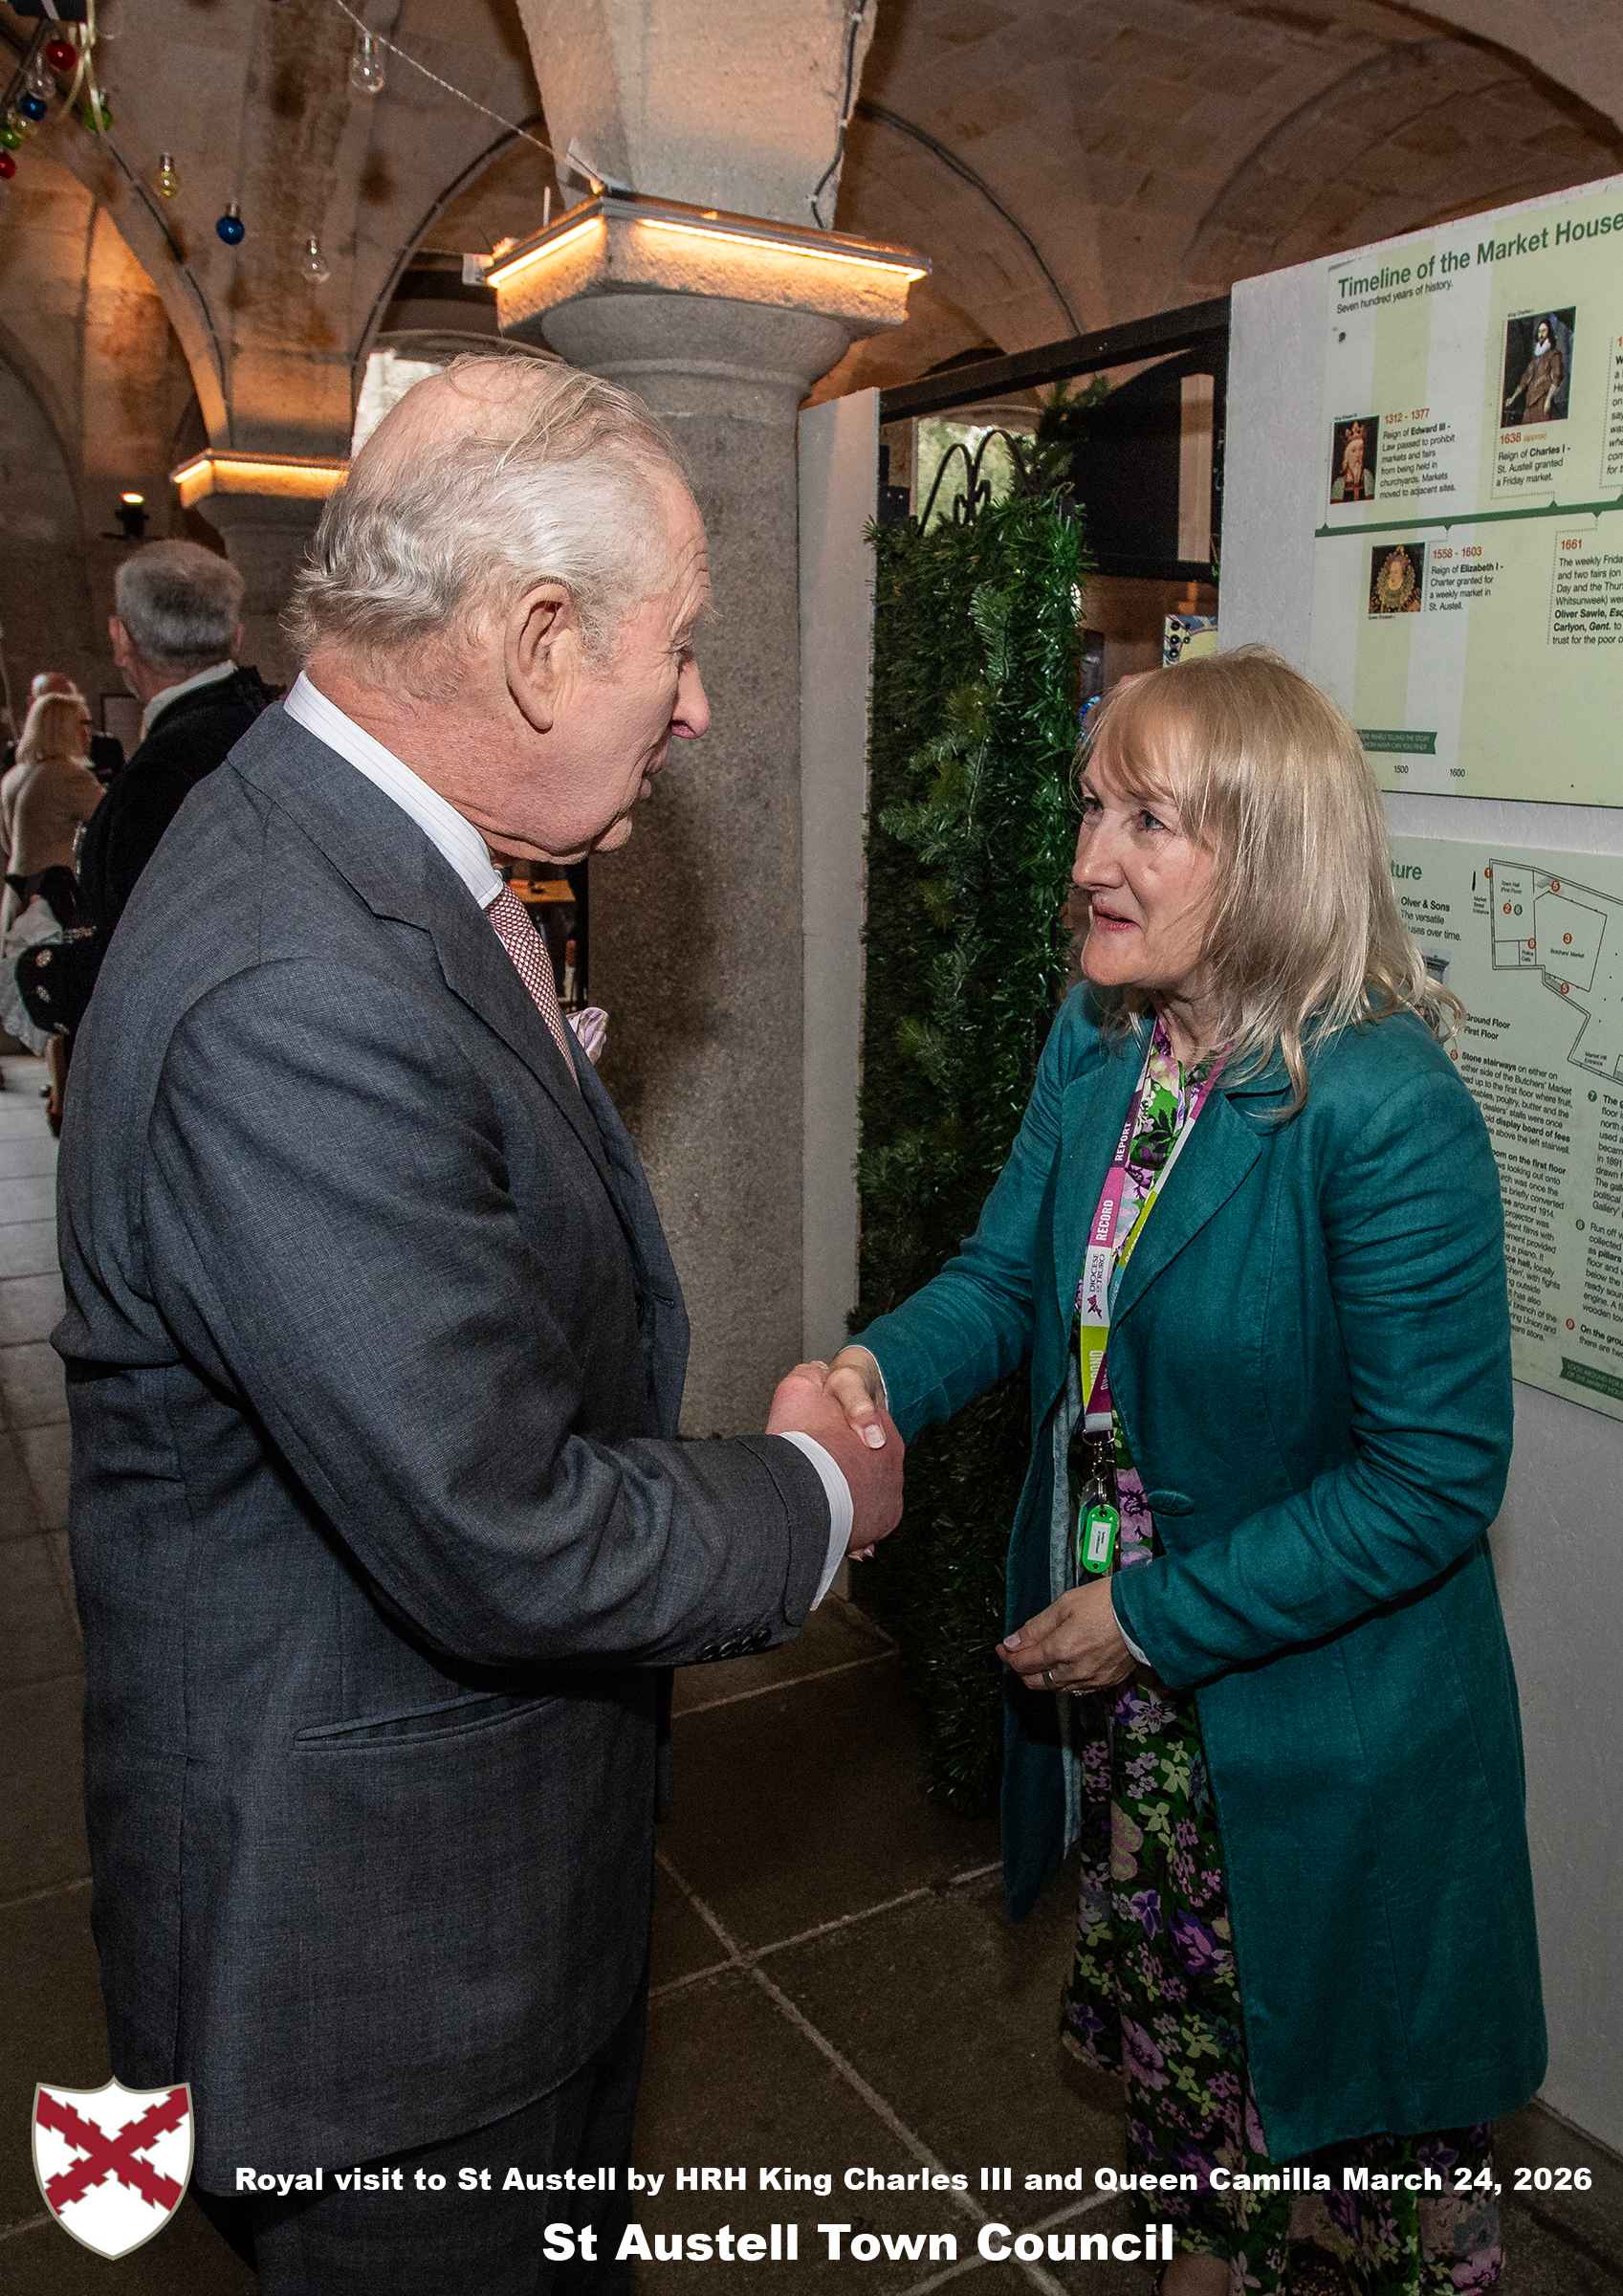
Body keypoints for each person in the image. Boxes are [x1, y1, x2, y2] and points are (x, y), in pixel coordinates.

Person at [55, 354, 903, 2295]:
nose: (694, 707)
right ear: (536, 643)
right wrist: (809, 1496)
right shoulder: (298, 977)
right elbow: (496, 1517)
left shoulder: (346, 861)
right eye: (671, 650)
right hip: (375, 1985)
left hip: (460, 1900)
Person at [822, 649, 1544, 2296]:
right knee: (1194, 2094)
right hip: (1138, 1704)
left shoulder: (1379, 1103)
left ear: (1272, 851)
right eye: (1094, 808)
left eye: (1149, 821)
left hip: (1315, 1723)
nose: (1089, 860)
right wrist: (871, 1373)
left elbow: (1433, 1479)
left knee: (1347, 2127)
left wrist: (1148, 1616)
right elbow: (1008, 1280)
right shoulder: (1101, 1041)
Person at [75, 540, 274, 937]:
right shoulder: (273, 723)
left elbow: (137, 946)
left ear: (120, 639)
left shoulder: (159, 774)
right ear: (237, 637)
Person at [0, 690, 102, 1124]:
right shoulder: (66, 776)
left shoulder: (16, 777)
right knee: (67, 997)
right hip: (54, 898)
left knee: (41, 1000)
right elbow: (110, 820)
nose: (89, 734)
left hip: (19, 898)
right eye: (81, 724)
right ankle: (67, 1101)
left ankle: (59, 1095)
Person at [15, 670, 125, 785]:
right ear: (33, 704)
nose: (65, 712)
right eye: (54, 705)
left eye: (71, 702)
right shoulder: (21, 759)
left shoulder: (106, 747)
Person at [1503, 317, 1565, 423]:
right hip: (1529, 403)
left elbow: (1557, 377)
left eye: (1544, 331)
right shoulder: (1534, 361)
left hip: (1542, 399)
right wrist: (1512, 398)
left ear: (1549, 333)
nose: (1541, 334)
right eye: (1539, 331)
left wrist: (1548, 400)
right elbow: (1524, 381)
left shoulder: (1554, 354)